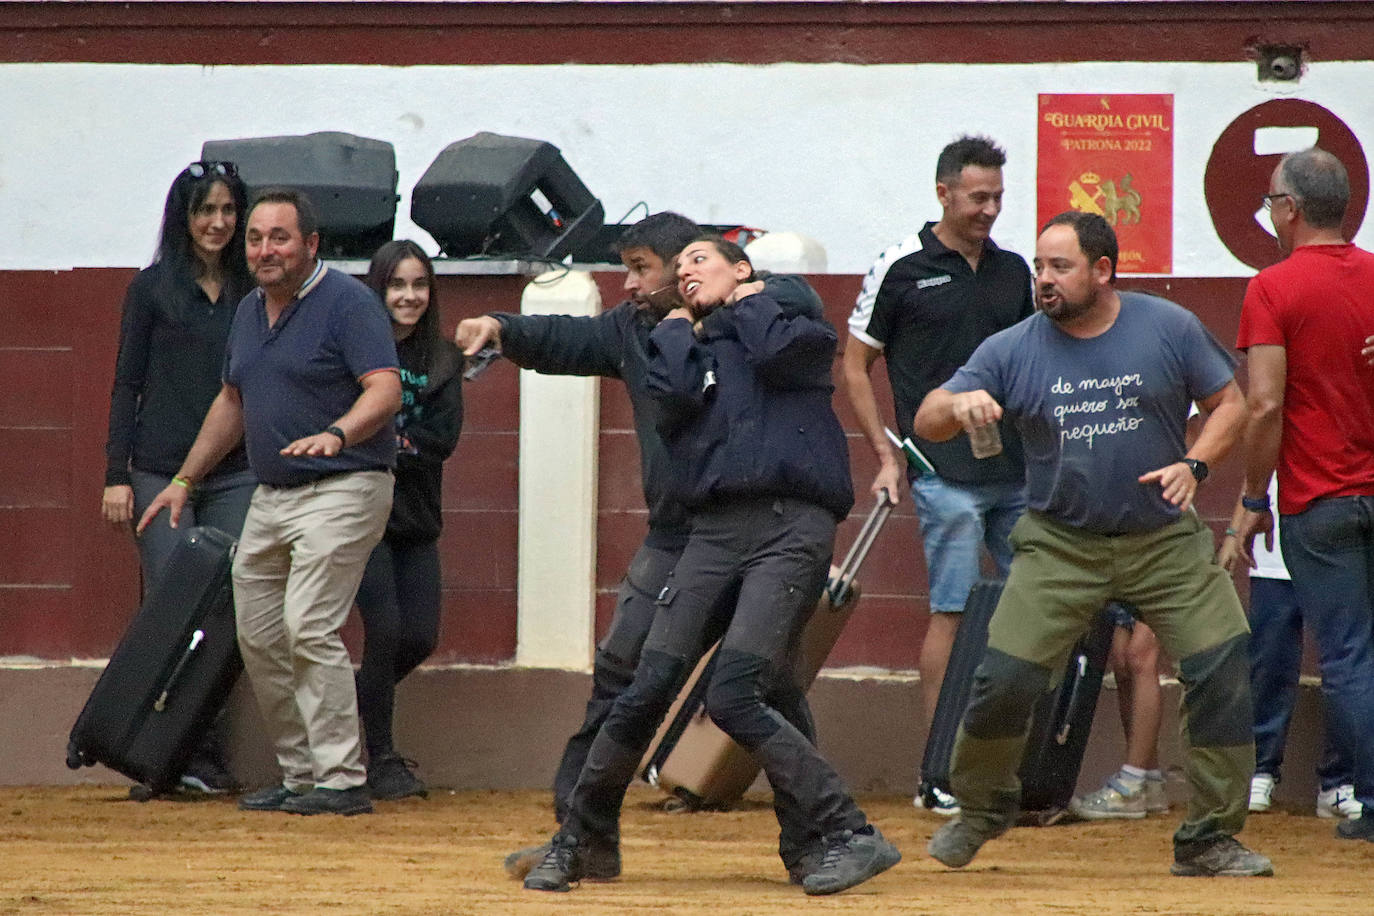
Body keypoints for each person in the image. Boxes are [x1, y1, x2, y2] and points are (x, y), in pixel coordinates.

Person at [522, 236, 900, 897]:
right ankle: (577, 842)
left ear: (745, 269)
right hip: (714, 530)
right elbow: (670, 403)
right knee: (647, 687)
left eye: (702, 260)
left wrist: (743, 303)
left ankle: (849, 832)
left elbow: (781, 352)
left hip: (791, 524)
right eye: (682, 267)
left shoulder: (795, 321)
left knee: (737, 691)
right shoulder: (686, 342)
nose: (687, 271)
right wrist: (675, 327)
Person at [458, 213, 826, 883]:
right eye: (627, 268)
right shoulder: (633, 329)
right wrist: (504, 328)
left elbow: (798, 301)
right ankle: (581, 836)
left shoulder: (759, 309)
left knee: (767, 686)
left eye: (641, 268)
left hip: (757, 530)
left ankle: (814, 841)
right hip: (678, 534)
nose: (630, 283)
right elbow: (567, 338)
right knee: (621, 678)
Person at [917, 211, 1272, 877]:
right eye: (1038, 268)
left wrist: (1195, 466)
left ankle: (1209, 838)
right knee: (1006, 680)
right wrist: (956, 409)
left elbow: (1233, 403)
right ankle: (984, 808)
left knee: (1221, 665)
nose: (1043, 281)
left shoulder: (1166, 327)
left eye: (1060, 268)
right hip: (1060, 544)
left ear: (1103, 270)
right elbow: (928, 416)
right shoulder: (1015, 347)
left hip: (1163, 540)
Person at [138, 188, 401, 817]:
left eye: (279, 237)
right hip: (274, 494)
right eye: (255, 238)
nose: (263, 249)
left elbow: (385, 389)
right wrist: (184, 480)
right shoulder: (251, 310)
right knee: (258, 634)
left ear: (311, 245)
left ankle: (341, 778)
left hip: (346, 484)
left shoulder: (348, 302)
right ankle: (304, 774)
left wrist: (338, 432)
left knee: (308, 623)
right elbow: (232, 401)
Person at [843, 135, 1033, 813]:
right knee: (952, 610)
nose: (989, 209)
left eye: (998, 197)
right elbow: (854, 365)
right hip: (942, 473)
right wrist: (888, 455)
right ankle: (939, 772)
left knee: (1029, 616)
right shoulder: (899, 265)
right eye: (978, 196)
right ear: (943, 193)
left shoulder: (1017, 272)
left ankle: (1011, 770)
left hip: (1016, 474)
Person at [102, 160, 257, 798]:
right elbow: (126, 383)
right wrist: (116, 475)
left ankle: (202, 753)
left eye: (227, 210)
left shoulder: (255, 291)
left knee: (229, 612)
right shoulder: (151, 289)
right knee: (174, 609)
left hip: (236, 473)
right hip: (159, 468)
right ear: (183, 218)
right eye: (205, 211)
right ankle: (159, 750)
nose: (217, 223)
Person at [1232, 146, 1374, 841]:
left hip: (1319, 496)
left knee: (1348, 655)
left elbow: (1263, 407)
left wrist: (1254, 494)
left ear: (1288, 210)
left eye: (1269, 201)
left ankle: (1371, 800)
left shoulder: (1273, 288)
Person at [353, 241, 464, 801]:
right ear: (378, 289)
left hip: (416, 517)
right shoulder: (354, 350)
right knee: (385, 630)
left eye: (420, 284)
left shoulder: (444, 359)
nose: (409, 296)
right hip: (362, 514)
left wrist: (389, 441)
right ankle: (381, 758)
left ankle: (345, 713)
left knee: (418, 636)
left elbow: (440, 441)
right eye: (397, 284)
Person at [1222, 475, 1359, 819]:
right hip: (1278, 543)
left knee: (1344, 661)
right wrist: (1244, 516)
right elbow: (1259, 446)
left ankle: (1339, 781)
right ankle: (1258, 771)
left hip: (1345, 543)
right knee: (1269, 658)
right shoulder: (1277, 417)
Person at [1070, 606, 1170, 819]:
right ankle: (1150, 782)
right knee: (1122, 661)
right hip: (1133, 578)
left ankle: (1131, 784)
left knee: (1140, 655)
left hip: (1166, 577)